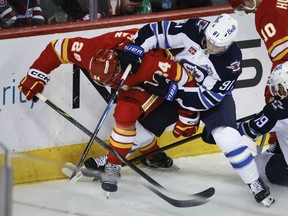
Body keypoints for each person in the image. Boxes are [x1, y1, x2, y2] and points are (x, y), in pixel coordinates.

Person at [118, 13, 275, 206]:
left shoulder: (231, 63)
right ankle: (111, 162)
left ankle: (254, 182)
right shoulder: (194, 28)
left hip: (207, 99)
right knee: (142, 130)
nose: (210, 46)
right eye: (209, 40)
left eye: (217, 45)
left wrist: (173, 92)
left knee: (227, 137)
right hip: (178, 86)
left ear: (228, 44)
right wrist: (136, 48)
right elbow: (159, 32)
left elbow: (207, 99)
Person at [17, 28, 198, 192]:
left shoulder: (149, 65)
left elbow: (185, 78)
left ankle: (113, 166)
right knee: (126, 118)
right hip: (126, 76)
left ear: (118, 66)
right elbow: (58, 47)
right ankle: (151, 154)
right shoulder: (89, 50)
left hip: (147, 80)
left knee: (125, 114)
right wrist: (36, 73)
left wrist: (188, 116)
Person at [227, 0, 288, 160]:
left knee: (275, 95)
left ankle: (279, 147)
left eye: (241, 6)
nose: (245, 11)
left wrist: (276, 82)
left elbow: (282, 53)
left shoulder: (266, 11)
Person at [237, 61, 288, 186]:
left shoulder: (278, 111)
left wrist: (223, 130)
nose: (277, 91)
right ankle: (279, 149)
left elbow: (250, 131)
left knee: (253, 163)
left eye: (279, 87)